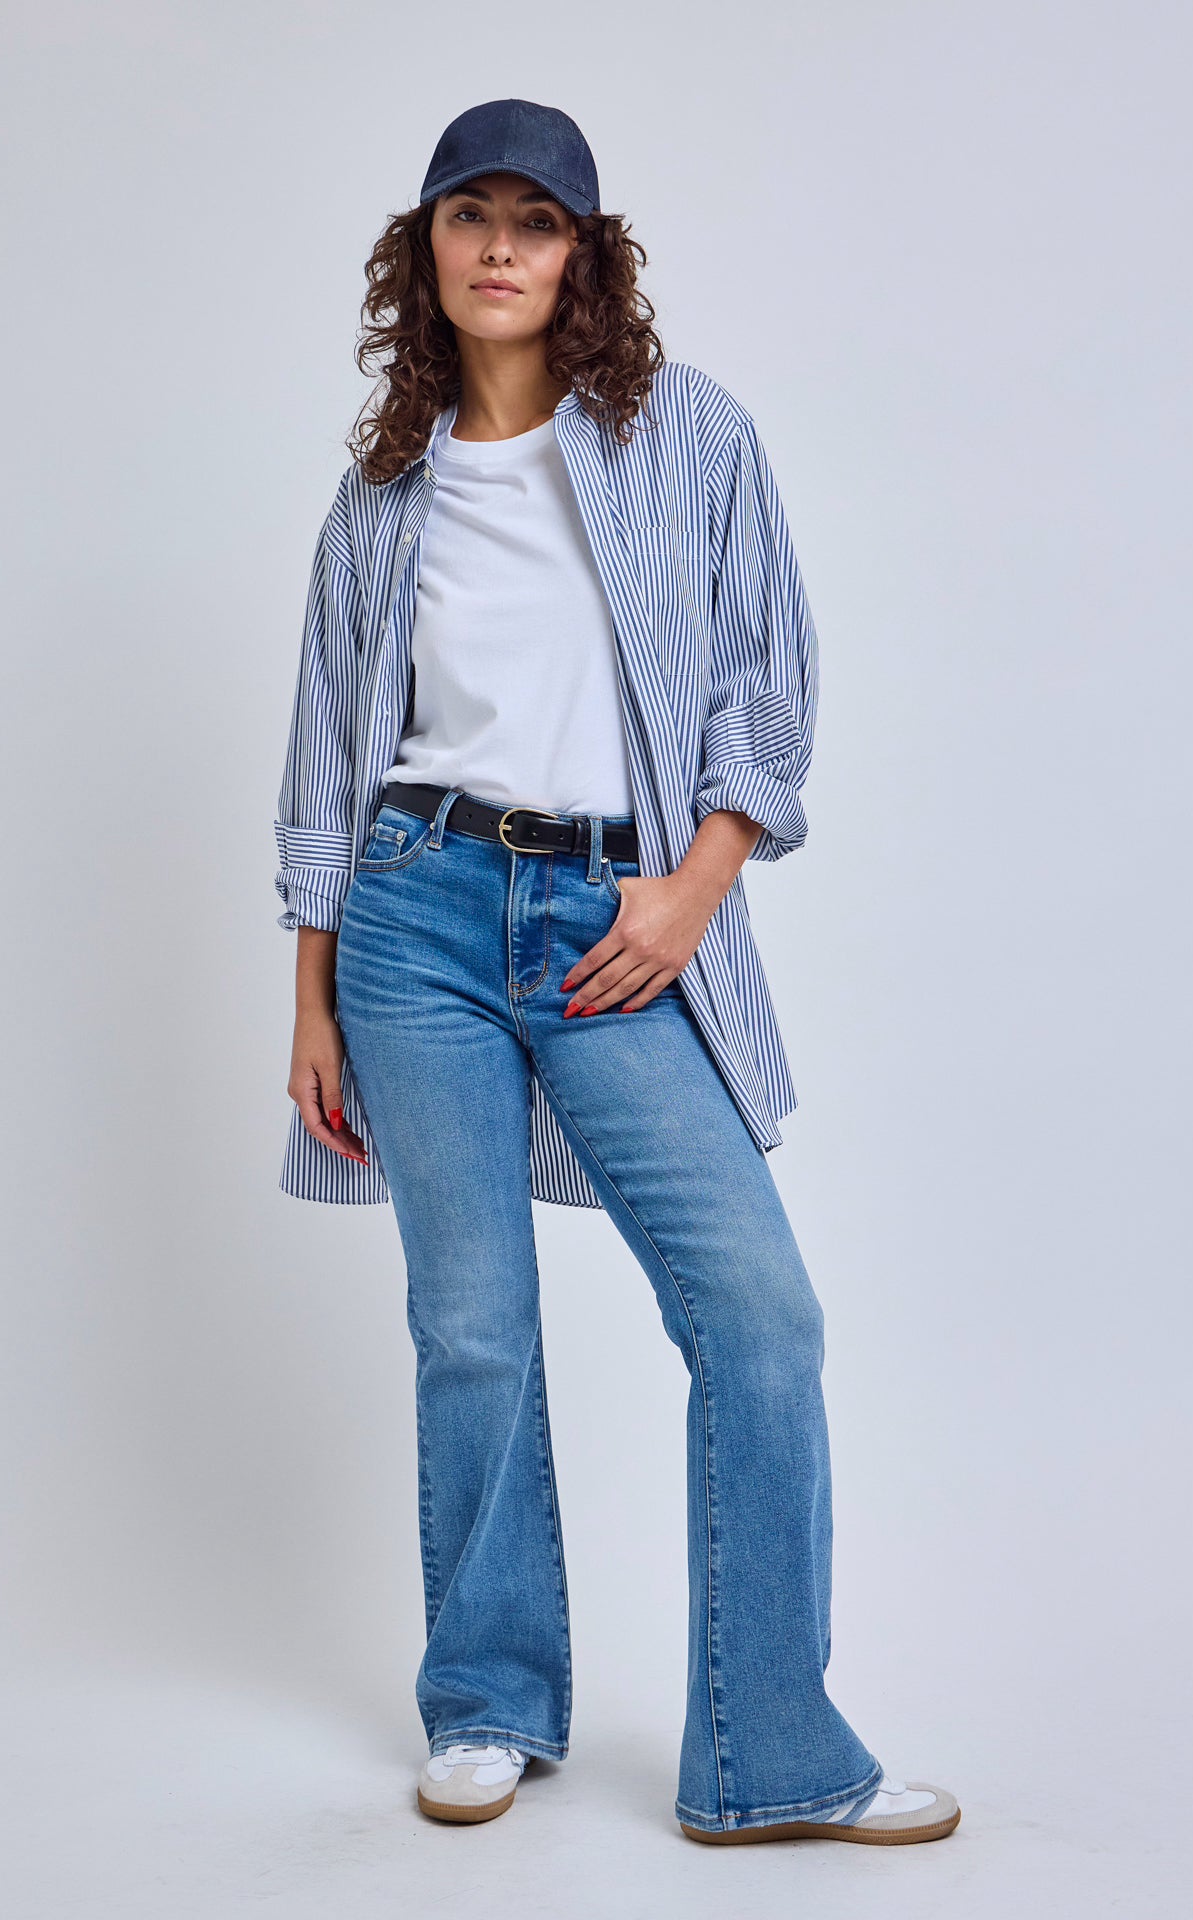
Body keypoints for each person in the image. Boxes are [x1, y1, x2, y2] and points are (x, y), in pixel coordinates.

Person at [273, 97, 960, 1846]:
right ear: (422, 252)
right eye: (466, 218)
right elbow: (319, 762)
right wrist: (312, 1001)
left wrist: (695, 890)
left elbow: (763, 681)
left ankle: (773, 1753)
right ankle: (490, 1703)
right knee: (473, 1329)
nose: (500, 246)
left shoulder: (684, 438)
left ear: (584, 254)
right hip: (413, 922)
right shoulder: (379, 492)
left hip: (613, 923)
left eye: (537, 220)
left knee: (756, 1314)